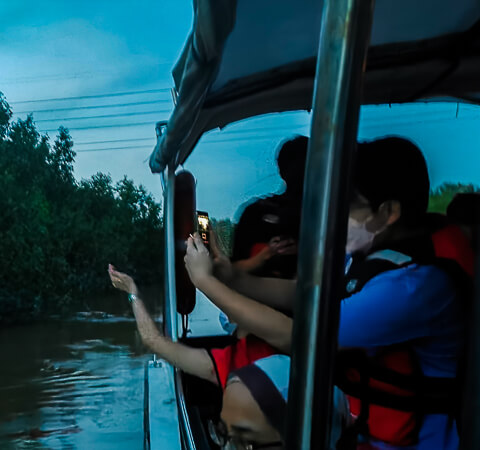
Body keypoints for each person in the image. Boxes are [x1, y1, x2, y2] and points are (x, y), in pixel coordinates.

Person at [185, 137, 469, 449]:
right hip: (359, 430)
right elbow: (304, 294)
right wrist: (233, 278)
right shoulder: (369, 257)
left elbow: (298, 338)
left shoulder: (413, 288)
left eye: (348, 206)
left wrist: (206, 284)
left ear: (388, 212)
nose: (335, 217)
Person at [107, 265, 351, 449]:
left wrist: (133, 294)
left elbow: (154, 341)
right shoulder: (310, 342)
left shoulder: (230, 360)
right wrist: (132, 292)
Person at [231, 136, 308, 280]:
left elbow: (230, 272)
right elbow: (234, 269)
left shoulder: (255, 212)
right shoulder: (256, 213)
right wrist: (267, 254)